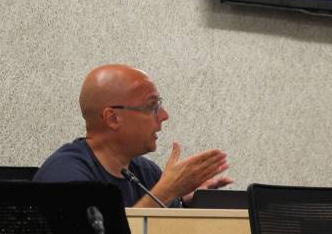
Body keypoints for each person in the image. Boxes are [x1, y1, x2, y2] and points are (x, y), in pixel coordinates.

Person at [34, 65, 232, 207]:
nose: (164, 116)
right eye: (152, 106)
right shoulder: (65, 175)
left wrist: (189, 202)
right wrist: (165, 192)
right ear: (112, 118)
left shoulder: (146, 172)